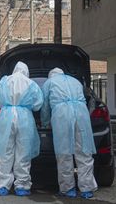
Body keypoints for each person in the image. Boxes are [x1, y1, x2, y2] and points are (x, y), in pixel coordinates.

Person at [40, 68, 97, 199]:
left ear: (51, 76)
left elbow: (45, 107)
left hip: (62, 114)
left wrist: (45, 122)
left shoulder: (49, 83)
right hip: (82, 113)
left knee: (64, 153)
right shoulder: (75, 81)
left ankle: (68, 189)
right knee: (84, 152)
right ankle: (86, 189)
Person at [0, 62, 43, 196]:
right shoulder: (31, 84)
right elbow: (38, 104)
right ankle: (22, 186)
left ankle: (2, 186)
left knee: (5, 152)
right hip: (24, 118)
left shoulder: (5, 81)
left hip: (6, 117)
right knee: (23, 153)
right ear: (26, 72)